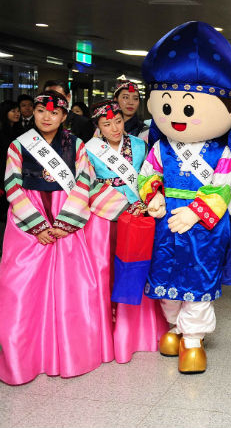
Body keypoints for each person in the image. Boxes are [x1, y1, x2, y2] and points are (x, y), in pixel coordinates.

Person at [139, 21, 231, 374]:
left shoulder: (222, 153)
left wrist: (194, 212)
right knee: (164, 280)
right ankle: (175, 326)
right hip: (165, 223)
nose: (177, 117)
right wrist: (152, 196)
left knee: (196, 283)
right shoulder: (160, 146)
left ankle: (193, 340)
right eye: (167, 106)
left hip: (203, 225)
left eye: (188, 108)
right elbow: (148, 174)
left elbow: (221, 188)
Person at [0, 91, 114, 384]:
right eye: (40, 111)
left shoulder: (75, 145)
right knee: (22, 289)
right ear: (34, 113)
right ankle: (24, 358)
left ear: (64, 117)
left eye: (53, 113)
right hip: (29, 220)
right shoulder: (18, 144)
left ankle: (69, 354)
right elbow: (12, 184)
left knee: (70, 290)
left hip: (67, 217)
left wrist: (65, 223)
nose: (46, 117)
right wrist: (38, 225)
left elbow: (85, 181)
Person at [83, 100, 169, 364]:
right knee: (107, 269)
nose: (115, 128)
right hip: (104, 218)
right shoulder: (88, 149)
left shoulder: (141, 145)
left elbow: (149, 177)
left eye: (118, 122)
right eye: (107, 124)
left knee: (138, 267)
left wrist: (144, 201)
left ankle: (135, 330)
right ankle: (106, 327)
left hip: (138, 215)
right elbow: (86, 183)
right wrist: (119, 206)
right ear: (98, 126)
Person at [0, 100, 22, 254]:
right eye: (12, 111)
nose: (17, 113)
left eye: (17, 110)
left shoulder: (21, 131)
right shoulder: (1, 132)